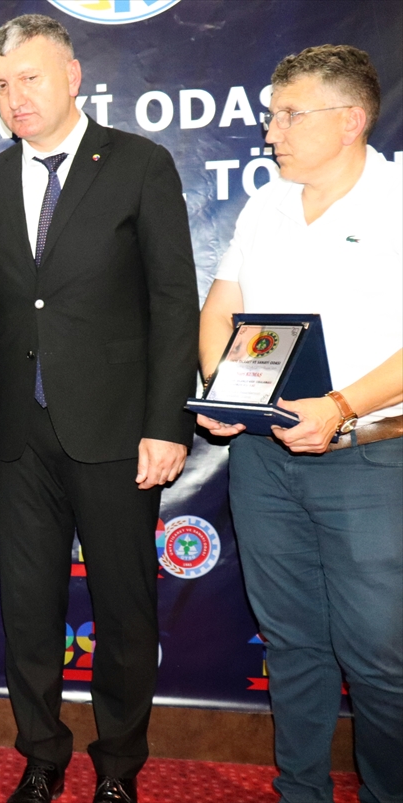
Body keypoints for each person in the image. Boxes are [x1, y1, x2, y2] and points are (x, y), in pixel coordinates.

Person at [0, 15, 199, 803]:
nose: (15, 97)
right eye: (1, 85)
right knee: (27, 609)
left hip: (118, 432)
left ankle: (119, 767)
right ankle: (41, 755)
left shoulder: (139, 164)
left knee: (124, 611)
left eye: (29, 78)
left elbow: (174, 302)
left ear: (71, 75)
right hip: (17, 435)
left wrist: (166, 422)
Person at [198, 45, 402, 803]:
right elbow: (223, 302)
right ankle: (301, 792)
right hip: (265, 462)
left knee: (382, 659)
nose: (270, 131)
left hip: (369, 461)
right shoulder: (267, 205)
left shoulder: (397, 200)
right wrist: (225, 390)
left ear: (350, 120)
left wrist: (342, 405)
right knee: (291, 645)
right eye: (271, 114)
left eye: (289, 115)